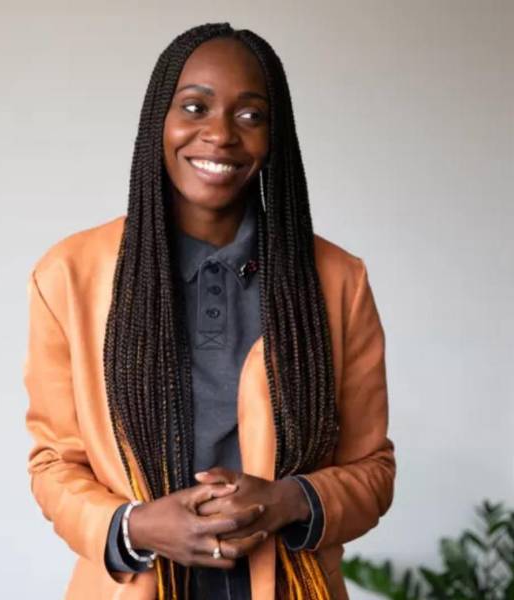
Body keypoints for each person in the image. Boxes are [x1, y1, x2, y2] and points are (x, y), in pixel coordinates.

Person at [23, 22, 395, 600]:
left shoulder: (338, 282)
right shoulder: (69, 276)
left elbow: (372, 470)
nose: (220, 134)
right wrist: (136, 527)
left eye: (250, 115)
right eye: (195, 107)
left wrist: (288, 501)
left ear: (274, 135)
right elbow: (54, 463)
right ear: (160, 120)